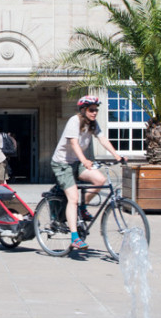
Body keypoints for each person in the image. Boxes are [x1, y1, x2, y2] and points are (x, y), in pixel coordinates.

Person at [51, 95, 126, 251]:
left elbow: (103, 139)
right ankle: (74, 237)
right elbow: (74, 143)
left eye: (96, 110)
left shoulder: (93, 124)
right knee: (73, 197)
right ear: (83, 110)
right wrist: (85, 160)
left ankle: (82, 207)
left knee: (100, 180)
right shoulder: (74, 121)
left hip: (77, 163)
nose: (94, 113)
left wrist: (117, 155)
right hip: (62, 163)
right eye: (92, 110)